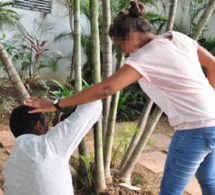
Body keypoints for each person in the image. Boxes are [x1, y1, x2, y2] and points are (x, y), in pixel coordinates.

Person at [24, 1, 215, 195]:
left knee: (170, 191)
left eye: (120, 44)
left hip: (194, 129)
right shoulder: (177, 38)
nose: (122, 51)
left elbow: (106, 88)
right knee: (209, 180)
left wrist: (57, 104)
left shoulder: (145, 56)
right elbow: (213, 65)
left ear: (131, 35)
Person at [3, 100, 102, 195]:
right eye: (47, 121)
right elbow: (94, 103)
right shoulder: (48, 145)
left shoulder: (9, 165)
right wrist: (57, 105)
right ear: (39, 126)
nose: (50, 126)